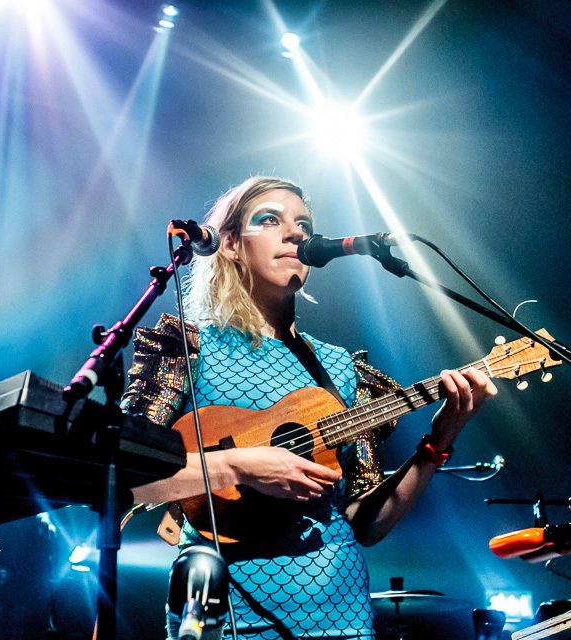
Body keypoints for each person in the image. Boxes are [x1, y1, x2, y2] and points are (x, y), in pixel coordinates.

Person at [123, 176, 497, 640]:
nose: (295, 233)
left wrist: (440, 440)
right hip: (230, 619)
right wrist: (240, 466)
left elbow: (365, 522)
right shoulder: (187, 348)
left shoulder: (341, 368)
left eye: (304, 224)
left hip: (346, 619)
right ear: (231, 244)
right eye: (270, 220)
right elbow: (125, 477)